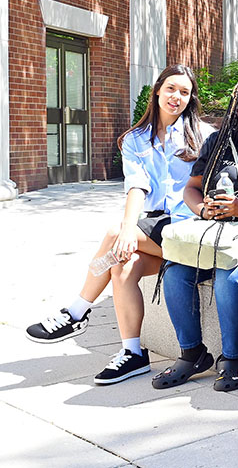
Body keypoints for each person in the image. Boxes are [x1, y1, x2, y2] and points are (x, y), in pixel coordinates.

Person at [26, 64, 212, 385]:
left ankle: (76, 311)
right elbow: (136, 186)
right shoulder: (135, 140)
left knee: (115, 235)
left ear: (190, 98)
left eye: (184, 92)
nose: (176, 97)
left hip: (193, 231)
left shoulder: (204, 136)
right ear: (157, 91)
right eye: (171, 89)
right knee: (123, 265)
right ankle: (133, 353)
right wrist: (130, 228)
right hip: (156, 233)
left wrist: (126, 230)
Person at [155, 75, 238, 392]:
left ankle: (231, 360)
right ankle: (192, 354)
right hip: (216, 228)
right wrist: (202, 209)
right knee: (175, 272)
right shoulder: (219, 142)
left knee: (229, 275)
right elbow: (191, 188)